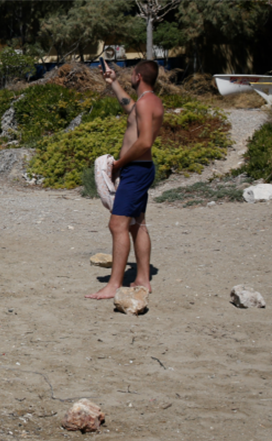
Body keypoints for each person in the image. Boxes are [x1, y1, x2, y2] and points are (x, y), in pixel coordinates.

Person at [87, 60, 163, 299]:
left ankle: (114, 285)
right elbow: (129, 107)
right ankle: (142, 278)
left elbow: (145, 142)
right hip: (141, 169)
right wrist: (113, 83)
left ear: (137, 76)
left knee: (117, 224)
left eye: (131, 74)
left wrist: (119, 164)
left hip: (135, 171)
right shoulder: (149, 101)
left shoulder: (145, 104)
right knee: (137, 224)